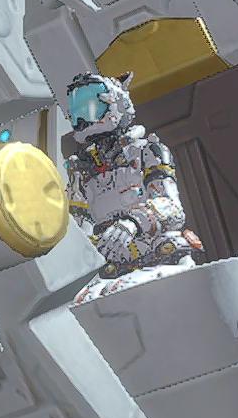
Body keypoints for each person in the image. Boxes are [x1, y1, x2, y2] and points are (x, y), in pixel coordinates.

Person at [62, 70, 202, 301]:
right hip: (113, 272)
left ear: (115, 103)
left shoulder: (147, 151)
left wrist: (131, 223)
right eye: (77, 111)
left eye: (90, 107)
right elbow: (80, 226)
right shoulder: (82, 170)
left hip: (160, 259)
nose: (82, 118)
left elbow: (172, 207)